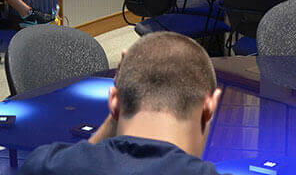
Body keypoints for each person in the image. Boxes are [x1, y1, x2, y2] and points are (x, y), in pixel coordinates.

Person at [19, 32, 222, 175]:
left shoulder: (44, 166)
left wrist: (119, 104)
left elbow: (81, 159)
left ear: (114, 102)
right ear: (209, 108)